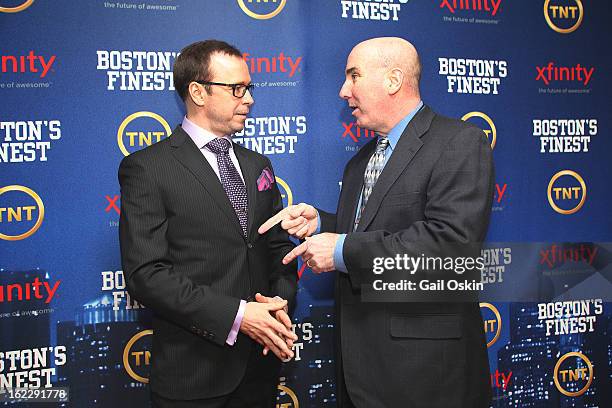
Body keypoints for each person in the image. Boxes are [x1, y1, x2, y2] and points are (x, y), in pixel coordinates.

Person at [259, 37, 494, 407]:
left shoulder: (459, 142)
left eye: (353, 76)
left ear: (393, 80)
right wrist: (322, 222)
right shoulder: (361, 160)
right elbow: (375, 227)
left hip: (426, 375)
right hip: (360, 371)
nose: (343, 91)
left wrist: (339, 250)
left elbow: (450, 245)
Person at [119, 40, 298, 408]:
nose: (248, 99)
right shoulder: (148, 168)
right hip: (194, 378)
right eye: (236, 89)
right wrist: (238, 316)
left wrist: (278, 304)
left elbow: (278, 250)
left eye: (249, 88)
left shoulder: (257, 164)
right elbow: (146, 274)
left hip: (260, 369)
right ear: (197, 92)